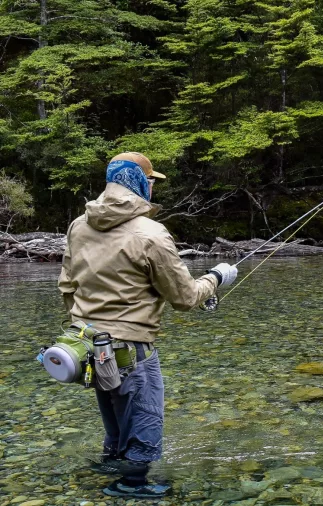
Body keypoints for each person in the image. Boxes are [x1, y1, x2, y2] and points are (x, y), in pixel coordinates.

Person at [58, 152, 238, 498]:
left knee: (113, 413)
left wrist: (84, 325)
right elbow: (185, 298)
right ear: (139, 183)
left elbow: (67, 286)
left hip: (87, 345)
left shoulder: (79, 225)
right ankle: (131, 485)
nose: (152, 187)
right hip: (132, 351)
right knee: (144, 422)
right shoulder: (151, 234)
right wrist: (217, 277)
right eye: (151, 180)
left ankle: (111, 465)